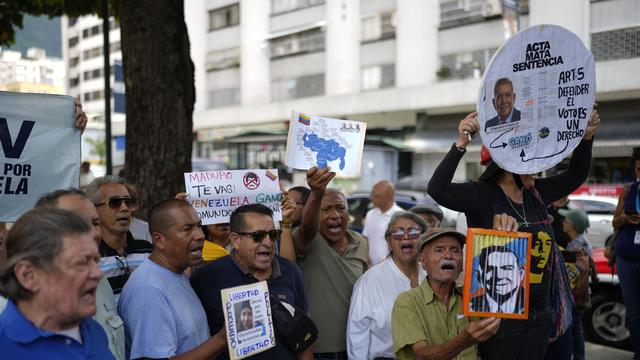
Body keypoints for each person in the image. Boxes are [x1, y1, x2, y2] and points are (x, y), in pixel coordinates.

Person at [427, 108, 600, 359]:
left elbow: (576, 175)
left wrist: (586, 138)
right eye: (532, 160)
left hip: (541, 312)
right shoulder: (480, 194)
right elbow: (438, 189)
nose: (538, 168)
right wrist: (462, 142)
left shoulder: (537, 193)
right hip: (500, 315)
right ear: (510, 162)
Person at [191, 203, 312, 359]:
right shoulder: (206, 278)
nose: (268, 242)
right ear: (235, 240)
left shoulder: (291, 272)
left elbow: (305, 336)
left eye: (273, 235)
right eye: (258, 236)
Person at [117, 199, 226, 359]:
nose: (200, 235)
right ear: (159, 240)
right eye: (187, 229)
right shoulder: (149, 291)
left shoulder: (176, 273)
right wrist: (222, 339)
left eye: (199, 226)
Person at [0, 208, 113, 358]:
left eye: (96, 260)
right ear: (28, 275)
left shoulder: (93, 330)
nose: (98, 274)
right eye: (81, 262)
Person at [35, 189, 125, 360]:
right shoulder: (13, 307)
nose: (94, 233)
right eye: (80, 224)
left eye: (95, 223)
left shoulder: (100, 281)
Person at [293, 167, 369, 359]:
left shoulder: (360, 241)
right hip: (318, 351)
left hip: (357, 347)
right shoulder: (307, 240)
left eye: (340, 208)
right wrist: (317, 194)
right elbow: (307, 227)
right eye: (326, 210)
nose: (335, 215)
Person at [391, 228, 501, 360]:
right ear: (422, 260)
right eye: (439, 250)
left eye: (455, 250)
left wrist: (504, 230)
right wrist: (464, 340)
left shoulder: (475, 298)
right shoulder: (407, 302)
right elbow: (421, 355)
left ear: (462, 262)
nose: (448, 256)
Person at [347, 211, 428, 359]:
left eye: (413, 232)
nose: (405, 236)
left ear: (423, 240)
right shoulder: (369, 281)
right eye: (397, 233)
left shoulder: (431, 276)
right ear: (389, 244)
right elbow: (357, 333)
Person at [86, 175, 153, 299]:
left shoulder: (148, 250)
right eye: (114, 202)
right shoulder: (88, 259)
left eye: (128, 202)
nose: (124, 208)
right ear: (93, 209)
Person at [611, 146, 640, 360]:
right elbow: (614, 221)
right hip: (626, 258)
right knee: (634, 313)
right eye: (639, 169)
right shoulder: (629, 189)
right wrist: (623, 219)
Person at [559, 208, 596, 360]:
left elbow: (572, 274)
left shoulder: (576, 247)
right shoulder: (579, 241)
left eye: (566, 220)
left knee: (574, 328)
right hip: (579, 292)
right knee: (576, 327)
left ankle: (579, 356)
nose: (563, 222)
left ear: (574, 225)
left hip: (576, 293)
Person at [470, 245, 526, 314]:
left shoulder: (532, 305)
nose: (499, 275)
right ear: (479, 277)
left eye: (507, 268)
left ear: (521, 274)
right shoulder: (471, 306)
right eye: (490, 269)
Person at [363, 180, 404, 265]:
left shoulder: (402, 216)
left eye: (374, 195)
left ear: (387, 197)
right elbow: (365, 239)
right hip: (372, 268)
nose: (371, 198)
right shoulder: (370, 214)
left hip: (394, 269)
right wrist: (367, 259)